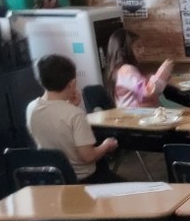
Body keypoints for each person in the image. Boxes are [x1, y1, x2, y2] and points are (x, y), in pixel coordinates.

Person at [26, 54, 121, 183]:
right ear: (72, 83)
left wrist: (70, 106)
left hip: (53, 177)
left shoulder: (31, 108)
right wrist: (106, 145)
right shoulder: (75, 114)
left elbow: (55, 123)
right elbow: (88, 156)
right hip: (84, 179)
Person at [105, 28, 174, 108]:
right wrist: (163, 72)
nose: (142, 51)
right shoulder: (126, 70)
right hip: (137, 116)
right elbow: (148, 91)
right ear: (124, 51)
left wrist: (149, 78)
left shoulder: (120, 70)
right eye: (137, 48)